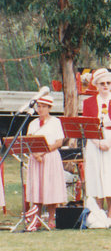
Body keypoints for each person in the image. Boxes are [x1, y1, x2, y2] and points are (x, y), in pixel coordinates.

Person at [82, 67, 111, 216]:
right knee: (96, 173)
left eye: (108, 83)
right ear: (96, 85)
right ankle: (98, 210)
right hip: (95, 140)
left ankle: (110, 211)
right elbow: (86, 126)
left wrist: (109, 141)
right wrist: (98, 142)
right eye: (102, 83)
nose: (105, 86)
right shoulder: (89, 102)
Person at [25, 95, 67, 229]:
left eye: (44, 106)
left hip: (49, 157)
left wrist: (42, 153)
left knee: (50, 187)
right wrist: (35, 154)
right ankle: (35, 218)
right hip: (36, 158)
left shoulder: (55, 122)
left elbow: (59, 142)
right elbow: (29, 141)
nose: (40, 109)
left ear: (49, 108)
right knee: (37, 187)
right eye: (39, 106)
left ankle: (51, 218)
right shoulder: (33, 124)